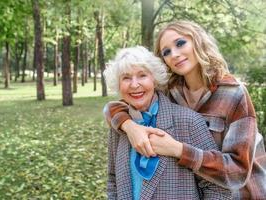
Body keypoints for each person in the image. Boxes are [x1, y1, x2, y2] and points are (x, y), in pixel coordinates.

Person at [103, 21, 266, 199]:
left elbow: (239, 170)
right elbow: (118, 105)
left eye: (180, 43)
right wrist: (130, 127)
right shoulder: (169, 91)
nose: (175, 54)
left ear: (197, 41)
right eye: (166, 52)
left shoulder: (234, 94)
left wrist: (178, 150)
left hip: (244, 192)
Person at [104, 46, 231, 199]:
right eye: (126, 78)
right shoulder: (120, 126)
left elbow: (218, 186)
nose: (134, 84)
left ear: (154, 79)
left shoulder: (188, 122)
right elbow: (113, 179)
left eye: (142, 75)